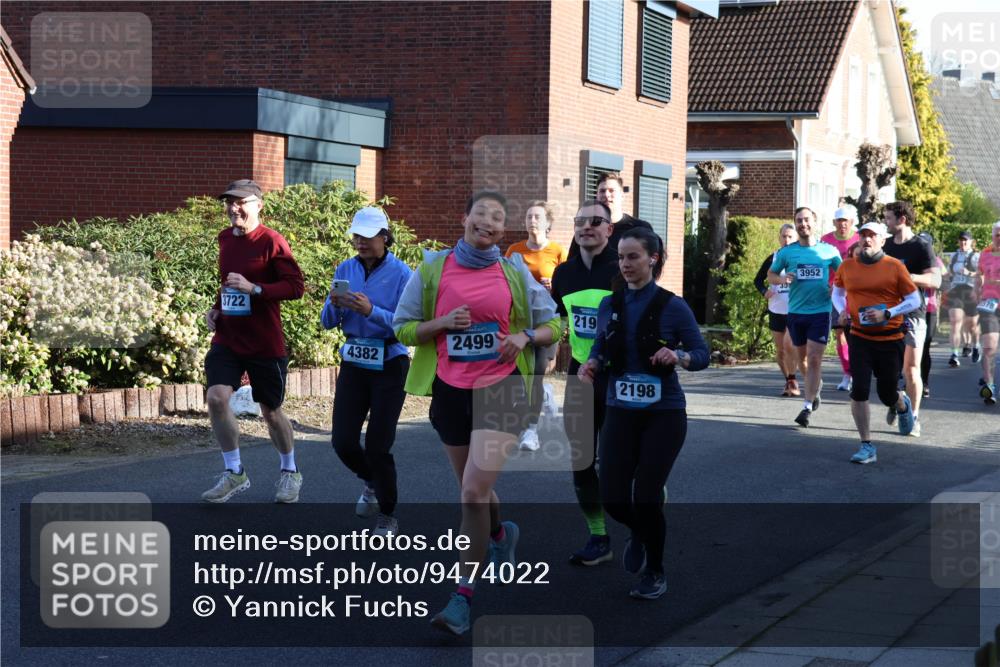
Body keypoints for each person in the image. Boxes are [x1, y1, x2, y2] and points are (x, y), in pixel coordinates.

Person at [392, 191, 561, 635]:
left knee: (470, 493)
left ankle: (461, 598)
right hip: (451, 391)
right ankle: (501, 536)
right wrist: (443, 324)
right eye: (481, 214)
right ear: (464, 217)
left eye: (498, 218)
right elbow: (403, 326)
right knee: (475, 490)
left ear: (503, 231)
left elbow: (555, 323)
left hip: (502, 388)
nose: (488, 222)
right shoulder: (431, 268)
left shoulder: (515, 270)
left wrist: (525, 337)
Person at [578, 227, 708, 598]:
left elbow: (702, 355)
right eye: (621, 257)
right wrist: (592, 365)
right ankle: (640, 530)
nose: (625, 264)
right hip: (620, 410)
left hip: (663, 414)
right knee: (614, 498)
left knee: (647, 495)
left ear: (652, 258)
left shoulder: (673, 305)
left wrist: (678, 355)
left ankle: (655, 569)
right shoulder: (610, 304)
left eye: (633, 256)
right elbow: (600, 349)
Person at [201, 179, 305, 503]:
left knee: (271, 411)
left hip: (264, 343)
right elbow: (228, 284)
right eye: (229, 202)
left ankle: (290, 472)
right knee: (217, 398)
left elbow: (295, 287)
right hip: (228, 339)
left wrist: (255, 288)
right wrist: (216, 310)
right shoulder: (224, 240)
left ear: (258, 205)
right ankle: (234, 472)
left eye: (241, 202)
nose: (234, 208)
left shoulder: (272, 242)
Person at [321, 207, 413, 536]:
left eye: (367, 236)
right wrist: (333, 304)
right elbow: (327, 322)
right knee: (342, 441)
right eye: (356, 236)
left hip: (390, 361)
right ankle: (371, 481)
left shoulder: (403, 274)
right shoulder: (346, 268)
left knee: (378, 445)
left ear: (384, 237)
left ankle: (387, 515)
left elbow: (408, 327)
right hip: (355, 361)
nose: (360, 241)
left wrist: (371, 311)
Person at [550, 200, 620, 566]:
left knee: (619, 465)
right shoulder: (564, 274)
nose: (587, 227)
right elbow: (559, 319)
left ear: (610, 229)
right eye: (580, 221)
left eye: (597, 221)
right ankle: (598, 537)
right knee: (580, 460)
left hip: (620, 375)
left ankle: (645, 513)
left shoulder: (623, 267)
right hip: (580, 376)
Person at [832, 222, 920, 464]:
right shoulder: (847, 266)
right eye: (863, 236)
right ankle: (866, 445)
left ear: (882, 240)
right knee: (859, 390)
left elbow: (914, 299)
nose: (866, 240)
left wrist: (889, 314)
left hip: (890, 338)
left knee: (886, 392)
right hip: (859, 337)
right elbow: (837, 292)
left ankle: (901, 405)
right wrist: (843, 311)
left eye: (872, 236)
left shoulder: (894, 266)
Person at [767, 207, 842, 427]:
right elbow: (771, 275)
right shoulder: (787, 253)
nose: (803, 224)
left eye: (806, 220)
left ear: (815, 221)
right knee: (802, 359)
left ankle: (807, 407)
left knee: (815, 357)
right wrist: (783, 280)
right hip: (796, 312)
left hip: (820, 312)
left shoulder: (829, 251)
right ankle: (814, 386)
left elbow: (845, 274)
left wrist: (835, 287)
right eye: (799, 221)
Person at [505, 201, 567, 450]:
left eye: (537, 217)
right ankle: (539, 408)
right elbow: (505, 280)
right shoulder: (514, 250)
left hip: (546, 319)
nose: (532, 220)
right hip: (519, 320)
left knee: (537, 373)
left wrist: (553, 287)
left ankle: (531, 429)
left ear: (548, 223)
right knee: (523, 376)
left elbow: (567, 286)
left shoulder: (558, 252)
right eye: (529, 216)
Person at [883, 201, 940, 437]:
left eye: (888, 218)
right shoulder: (884, 246)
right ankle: (899, 402)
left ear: (902, 219)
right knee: (889, 371)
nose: (886, 222)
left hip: (913, 315)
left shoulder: (921, 246)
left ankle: (914, 418)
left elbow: (935, 281)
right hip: (887, 314)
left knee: (911, 368)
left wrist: (907, 276)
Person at [754, 223, 803, 396]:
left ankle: (793, 379)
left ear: (796, 238)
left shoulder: (800, 257)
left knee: (790, 346)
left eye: (790, 236)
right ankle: (789, 381)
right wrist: (764, 291)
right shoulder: (773, 258)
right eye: (784, 236)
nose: (787, 240)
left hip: (795, 309)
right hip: (776, 309)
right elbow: (758, 280)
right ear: (779, 237)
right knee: (781, 351)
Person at [821, 205, 860, 391]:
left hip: (857, 293)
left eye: (846, 221)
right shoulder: (826, 240)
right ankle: (848, 373)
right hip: (834, 293)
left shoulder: (860, 239)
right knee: (840, 333)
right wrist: (828, 285)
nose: (842, 225)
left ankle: (862, 370)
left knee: (858, 334)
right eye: (839, 221)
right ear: (834, 222)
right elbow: (821, 265)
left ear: (852, 222)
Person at [569, 173, 653, 256]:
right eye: (602, 191)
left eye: (611, 190)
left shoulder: (639, 228)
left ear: (622, 196)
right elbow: (571, 266)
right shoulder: (585, 230)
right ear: (597, 196)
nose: (606, 195)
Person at [946, 231, 981, 368]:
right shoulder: (954, 256)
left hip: (970, 290)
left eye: (966, 240)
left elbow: (982, 274)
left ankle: (976, 345)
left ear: (971, 241)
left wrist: (969, 273)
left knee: (972, 325)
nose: (963, 243)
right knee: (955, 322)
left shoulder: (976, 256)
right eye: (961, 240)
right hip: (956, 290)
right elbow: (949, 272)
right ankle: (954, 354)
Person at [975, 221, 1000, 405]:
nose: (999, 238)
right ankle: (989, 386)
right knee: (989, 347)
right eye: (996, 235)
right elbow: (980, 274)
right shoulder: (985, 253)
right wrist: (977, 292)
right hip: (990, 304)